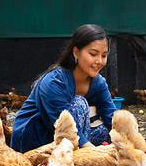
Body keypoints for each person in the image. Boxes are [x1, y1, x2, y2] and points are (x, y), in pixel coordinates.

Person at [11, 24, 116, 153]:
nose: (99, 61)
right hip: (35, 140)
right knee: (79, 104)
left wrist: (132, 149)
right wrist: (96, 155)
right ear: (76, 52)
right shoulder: (54, 82)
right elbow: (65, 128)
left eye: (104, 55)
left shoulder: (99, 83)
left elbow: (112, 118)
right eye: (93, 54)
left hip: (69, 137)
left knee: (109, 133)